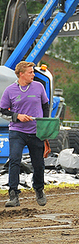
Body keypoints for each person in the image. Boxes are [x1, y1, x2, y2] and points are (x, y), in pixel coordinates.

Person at [0, 61, 49, 207]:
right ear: (21, 74)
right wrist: (17, 116)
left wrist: (44, 125)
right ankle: (13, 194)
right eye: (30, 72)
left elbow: (45, 106)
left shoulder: (39, 87)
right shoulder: (10, 90)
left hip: (35, 132)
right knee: (14, 160)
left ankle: (39, 189)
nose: (33, 74)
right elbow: (2, 110)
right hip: (17, 131)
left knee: (38, 164)